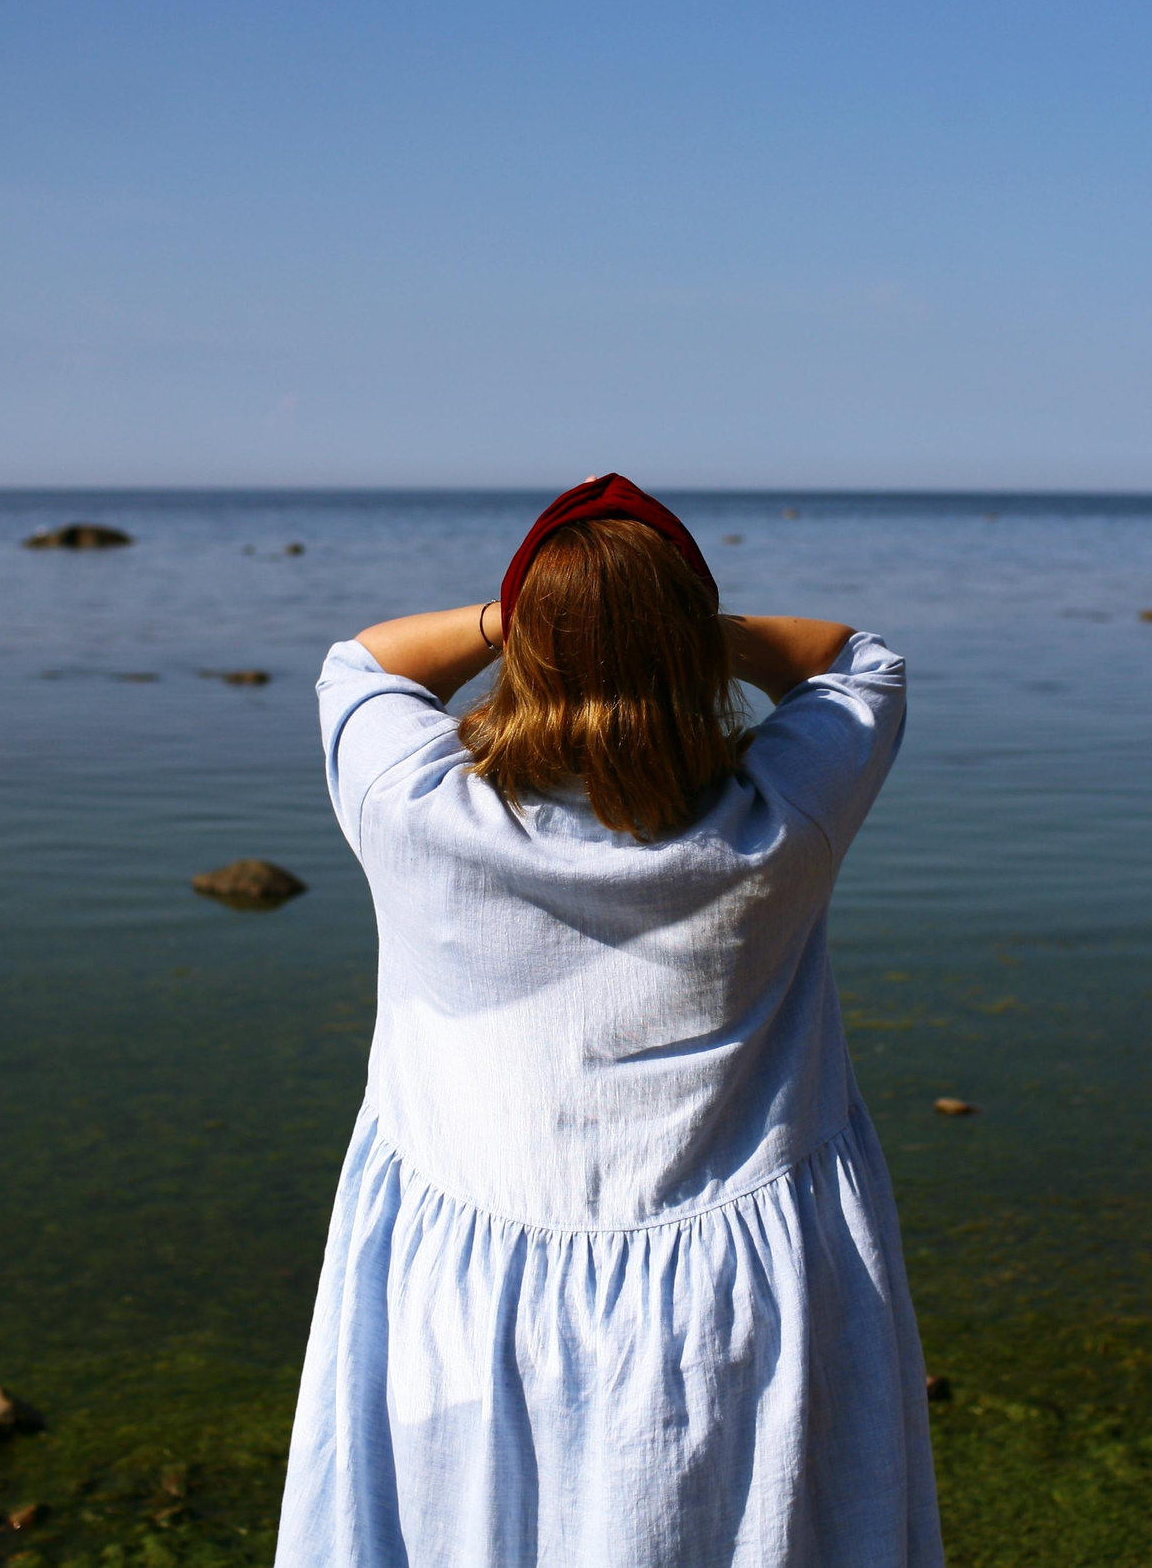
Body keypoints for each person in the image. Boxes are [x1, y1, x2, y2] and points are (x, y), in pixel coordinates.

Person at [277, 475, 940, 1567]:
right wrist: (682, 636)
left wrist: (520, 620)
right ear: (691, 650)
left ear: (524, 645)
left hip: (469, 1311)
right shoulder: (782, 822)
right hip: (741, 1308)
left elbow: (363, 663)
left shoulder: (418, 815)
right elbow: (860, 662)